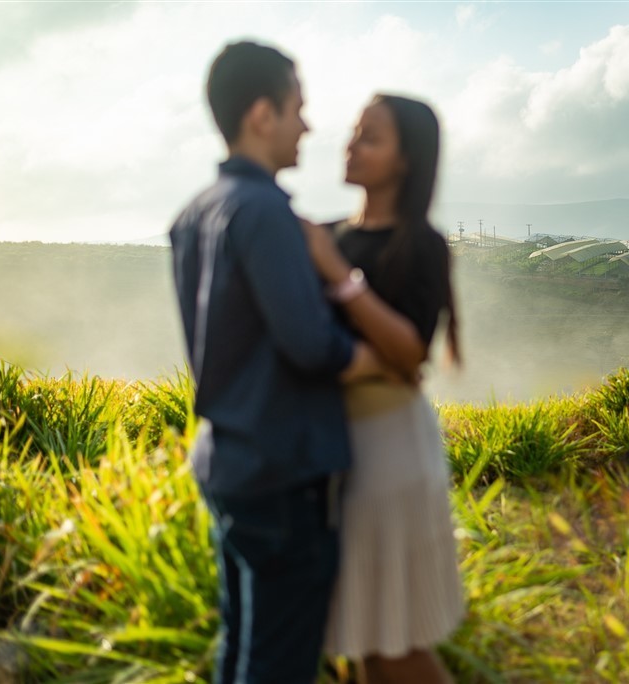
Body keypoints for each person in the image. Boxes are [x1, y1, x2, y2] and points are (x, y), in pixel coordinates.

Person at [169, 41, 386, 684]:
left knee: (241, 646)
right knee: (278, 665)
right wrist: (375, 358)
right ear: (263, 113)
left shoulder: (194, 212)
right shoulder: (267, 212)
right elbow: (310, 345)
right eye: (298, 108)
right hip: (283, 471)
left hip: (229, 461)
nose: (308, 126)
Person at [301, 94, 465, 684]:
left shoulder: (417, 243)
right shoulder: (328, 235)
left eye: (371, 137)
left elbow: (410, 350)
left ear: (405, 160)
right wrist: (363, 360)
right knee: (364, 641)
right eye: (354, 132)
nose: (351, 145)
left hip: (388, 453)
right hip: (334, 452)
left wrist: (341, 280)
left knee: (393, 645)